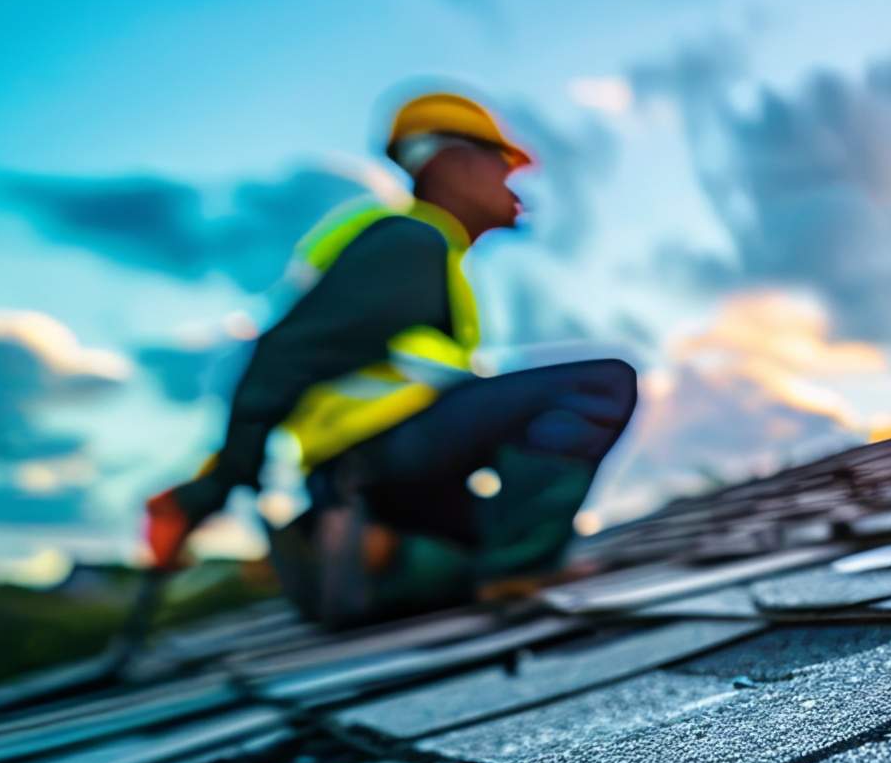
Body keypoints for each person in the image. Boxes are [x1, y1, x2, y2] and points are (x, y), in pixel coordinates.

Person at [144, 91, 636, 626]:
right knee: (598, 386)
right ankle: (509, 570)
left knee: (477, 547)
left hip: (382, 475)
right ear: (452, 162)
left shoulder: (430, 252)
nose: (511, 187)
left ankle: (378, 555)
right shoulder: (409, 242)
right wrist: (213, 486)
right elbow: (283, 358)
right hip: (374, 460)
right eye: (500, 168)